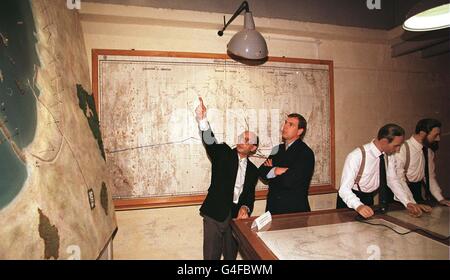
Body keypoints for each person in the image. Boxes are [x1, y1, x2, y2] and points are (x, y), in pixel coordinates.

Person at [195, 97, 259, 260]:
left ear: (253, 148)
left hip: (235, 219)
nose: (240, 141)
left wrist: (245, 207)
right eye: (240, 138)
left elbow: (249, 195)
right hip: (215, 214)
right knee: (211, 258)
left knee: (231, 258)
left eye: (246, 141)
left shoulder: (253, 170)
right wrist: (202, 119)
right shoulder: (223, 153)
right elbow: (210, 143)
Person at [337, 123, 431, 219]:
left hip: (369, 199)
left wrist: (407, 202)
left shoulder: (388, 156)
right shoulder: (356, 156)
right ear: (384, 141)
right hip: (349, 200)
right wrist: (358, 206)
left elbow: (392, 180)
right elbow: (344, 189)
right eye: (396, 146)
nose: (398, 150)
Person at [258, 113, 315, 214]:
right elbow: (261, 171)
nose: (285, 127)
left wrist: (271, 171)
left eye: (291, 124)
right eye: (285, 123)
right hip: (273, 208)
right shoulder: (277, 149)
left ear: (299, 131)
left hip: (293, 211)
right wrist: (276, 170)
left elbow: (289, 181)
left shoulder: (305, 152)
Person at [395, 118, 450, 206]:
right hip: (399, 194)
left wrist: (440, 199)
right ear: (422, 134)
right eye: (435, 135)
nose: (438, 139)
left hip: (416, 191)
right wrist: (410, 202)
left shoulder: (428, 152)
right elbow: (398, 179)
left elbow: (430, 177)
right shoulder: (402, 149)